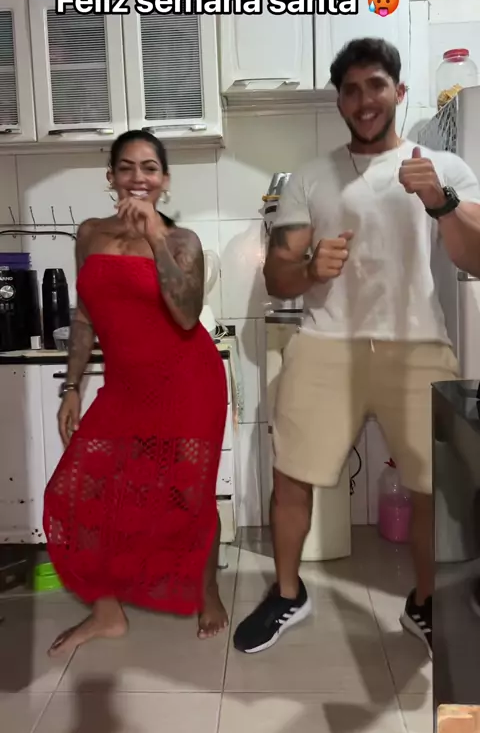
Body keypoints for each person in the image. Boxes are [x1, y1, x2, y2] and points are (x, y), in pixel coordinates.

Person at [233, 38, 480, 659]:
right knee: (291, 478)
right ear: (339, 100)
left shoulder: (443, 167)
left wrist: (443, 203)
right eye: (350, 89)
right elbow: (278, 278)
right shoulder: (310, 177)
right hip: (325, 344)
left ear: (399, 91)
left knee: (434, 490)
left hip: (418, 345)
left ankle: (425, 603)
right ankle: (288, 593)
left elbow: (476, 258)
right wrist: (310, 267)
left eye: (376, 85)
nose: (364, 100)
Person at [44, 130, 228, 655]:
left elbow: (186, 315)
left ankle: (207, 590)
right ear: (111, 177)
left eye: (149, 168)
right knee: (79, 493)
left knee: (189, 495)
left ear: (165, 180)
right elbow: (85, 316)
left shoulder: (182, 241)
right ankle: (107, 613)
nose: (138, 177)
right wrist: (72, 386)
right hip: (125, 387)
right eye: (126, 167)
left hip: (188, 384)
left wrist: (154, 237)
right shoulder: (89, 234)